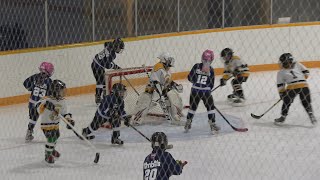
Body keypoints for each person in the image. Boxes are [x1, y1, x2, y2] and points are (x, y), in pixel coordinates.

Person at [132, 52, 184, 125]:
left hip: (163, 90)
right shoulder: (158, 67)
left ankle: (174, 115)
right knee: (147, 103)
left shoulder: (167, 69)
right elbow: (155, 82)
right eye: (169, 59)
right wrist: (160, 95)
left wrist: (175, 85)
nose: (170, 61)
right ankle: (137, 119)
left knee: (172, 98)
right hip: (153, 90)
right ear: (164, 59)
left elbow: (167, 81)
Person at [36, 79, 75, 165]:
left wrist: (69, 120)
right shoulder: (46, 99)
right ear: (56, 91)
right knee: (51, 138)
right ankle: (47, 154)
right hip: (46, 125)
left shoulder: (62, 101)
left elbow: (65, 113)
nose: (64, 92)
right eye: (62, 90)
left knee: (56, 136)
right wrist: (45, 105)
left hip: (56, 124)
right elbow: (38, 109)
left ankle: (51, 150)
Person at [275, 53, 317, 125]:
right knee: (304, 102)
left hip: (294, 87)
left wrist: (282, 93)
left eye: (285, 62)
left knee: (288, 102)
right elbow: (306, 72)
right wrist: (302, 78)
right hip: (303, 86)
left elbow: (280, 84)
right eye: (283, 63)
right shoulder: (297, 65)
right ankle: (311, 115)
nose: (283, 64)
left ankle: (283, 117)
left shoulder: (282, 72)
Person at [184, 50, 220, 134]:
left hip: (194, 90)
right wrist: (207, 89)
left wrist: (197, 80)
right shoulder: (211, 70)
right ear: (212, 59)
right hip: (206, 92)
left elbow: (190, 78)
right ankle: (212, 125)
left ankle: (188, 122)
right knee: (210, 108)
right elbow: (211, 84)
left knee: (192, 108)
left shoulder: (196, 66)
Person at [23, 62, 54, 142]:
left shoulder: (35, 76)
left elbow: (25, 83)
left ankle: (29, 132)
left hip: (32, 103)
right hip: (41, 104)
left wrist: (31, 88)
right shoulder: (49, 81)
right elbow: (50, 93)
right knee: (46, 118)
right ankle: (48, 134)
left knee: (33, 118)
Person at [91, 37, 125, 104]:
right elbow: (107, 65)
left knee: (102, 82)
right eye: (119, 48)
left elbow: (105, 43)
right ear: (116, 46)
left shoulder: (109, 44)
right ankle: (99, 97)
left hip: (97, 64)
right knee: (100, 82)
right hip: (98, 66)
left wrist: (108, 56)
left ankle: (102, 96)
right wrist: (116, 67)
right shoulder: (113, 54)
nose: (120, 50)